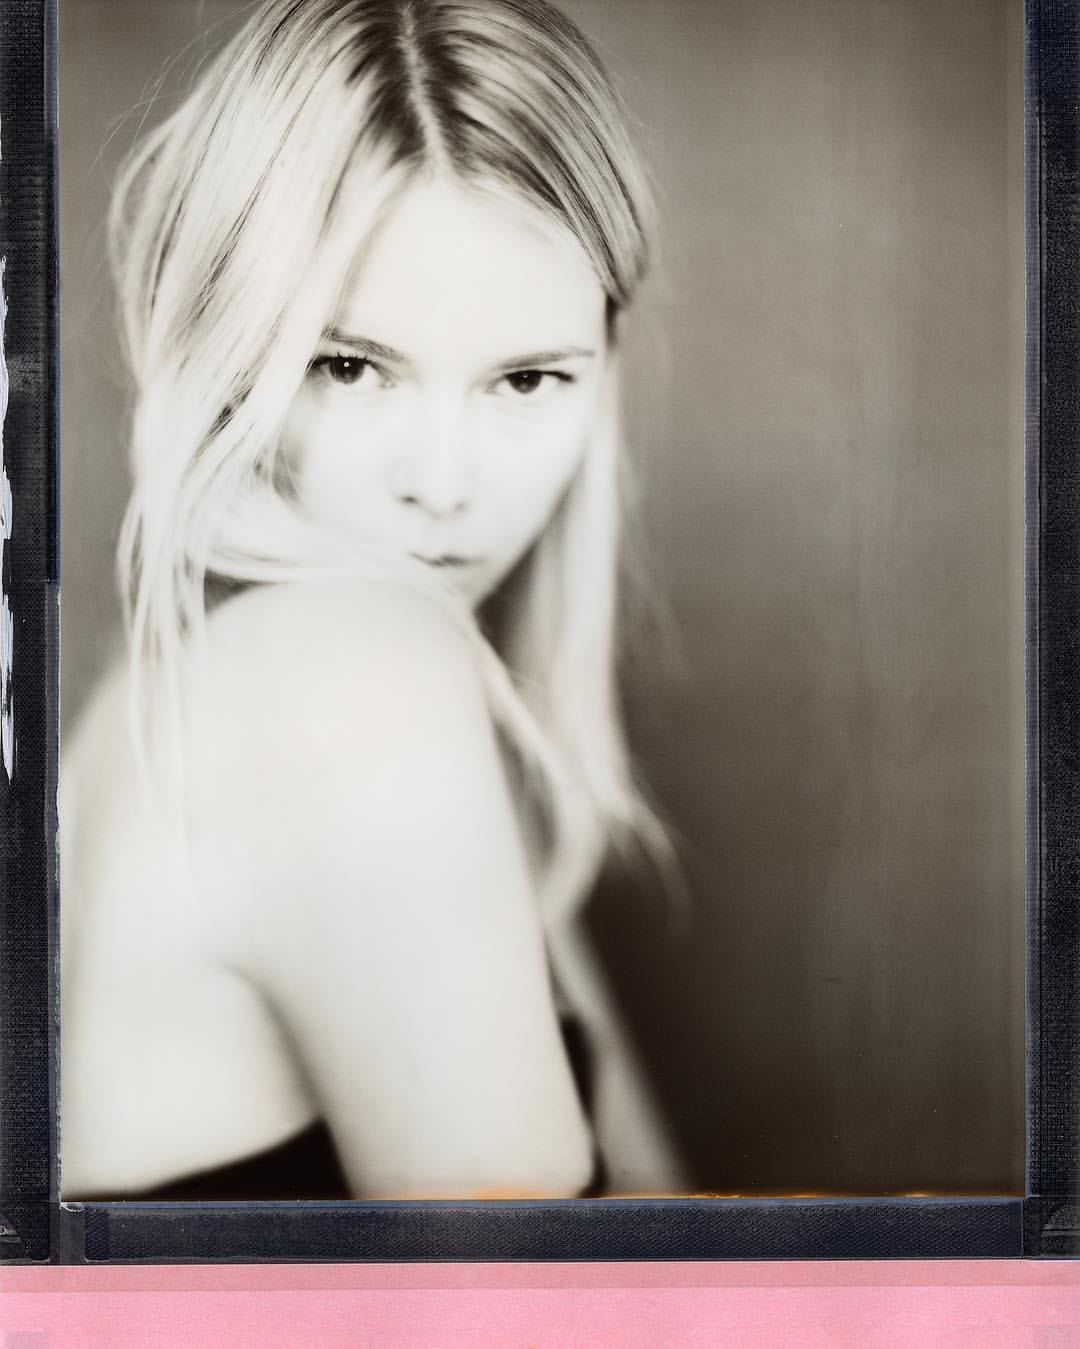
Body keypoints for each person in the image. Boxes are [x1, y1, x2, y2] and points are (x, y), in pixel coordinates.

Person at [60, 0, 685, 1201]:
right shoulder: (352, 675)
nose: (444, 484)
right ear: (231, 350)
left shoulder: (199, 689)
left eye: (526, 380)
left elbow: (668, 1222)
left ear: (601, 364)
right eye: (349, 367)